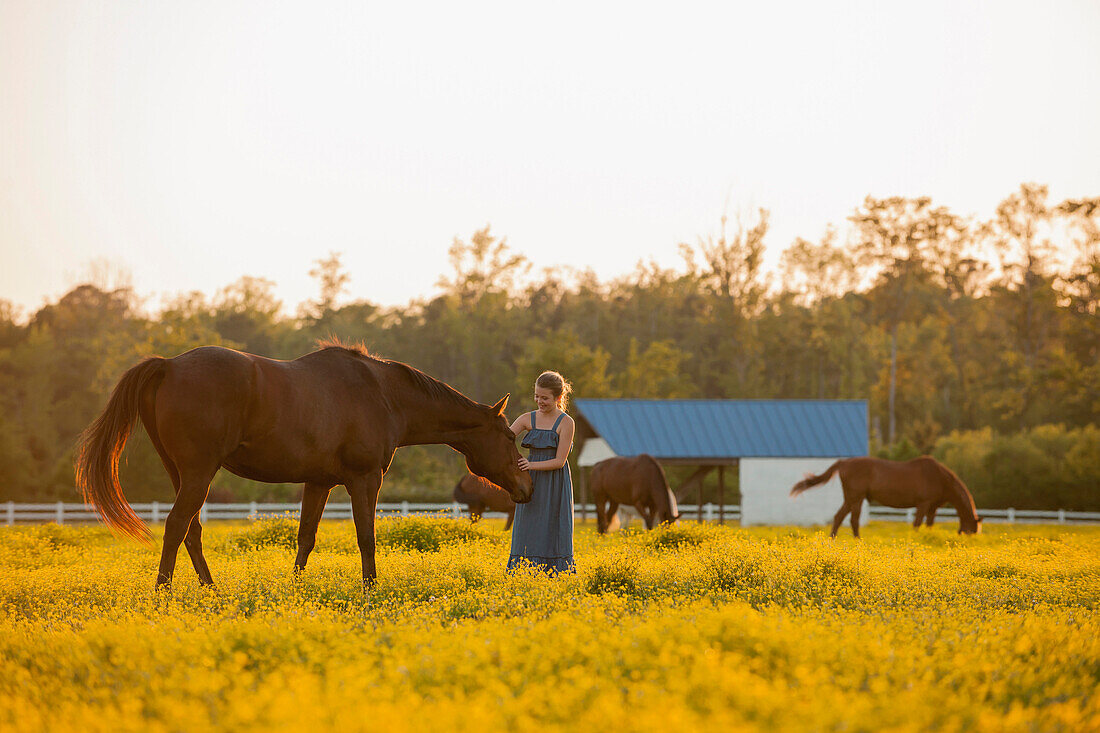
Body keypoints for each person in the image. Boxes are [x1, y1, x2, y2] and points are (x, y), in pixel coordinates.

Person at [506, 370, 576, 575]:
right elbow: (504, 439)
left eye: (544, 397)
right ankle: (523, 574)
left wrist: (530, 465)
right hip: (530, 482)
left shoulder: (566, 423)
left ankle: (556, 575)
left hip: (555, 483)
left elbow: (560, 461)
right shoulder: (527, 418)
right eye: (536, 396)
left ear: (558, 397)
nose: (539, 401)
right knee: (527, 528)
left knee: (553, 528)